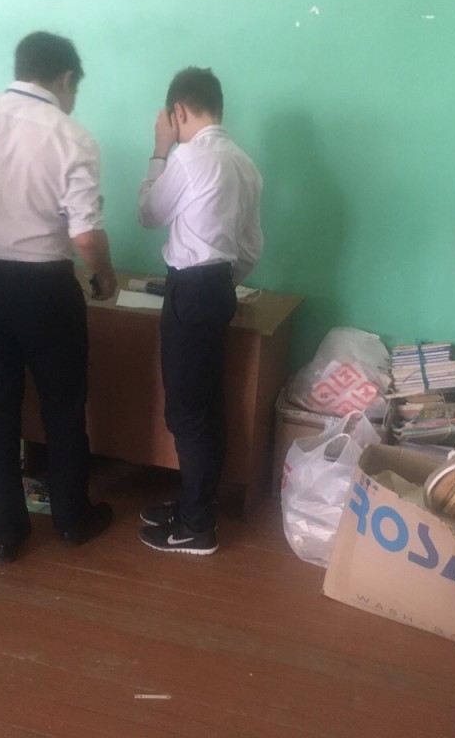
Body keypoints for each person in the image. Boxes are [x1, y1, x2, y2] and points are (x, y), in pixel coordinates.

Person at [0, 31, 118, 563]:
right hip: (44, 288)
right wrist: (105, 276)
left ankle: (6, 532)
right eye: (74, 90)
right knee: (63, 407)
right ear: (65, 78)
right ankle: (71, 519)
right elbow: (85, 234)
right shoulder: (71, 136)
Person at [136, 67, 263, 555]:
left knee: (187, 413)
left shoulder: (188, 157)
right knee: (207, 406)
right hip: (218, 290)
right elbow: (250, 249)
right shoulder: (245, 164)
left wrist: (159, 150)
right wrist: (218, 280)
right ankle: (195, 504)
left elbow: (149, 214)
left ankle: (196, 526)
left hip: (189, 291)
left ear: (178, 112)